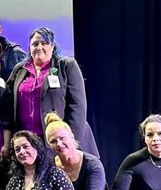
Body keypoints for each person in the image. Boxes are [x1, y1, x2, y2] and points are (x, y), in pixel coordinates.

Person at [8, 27, 98, 156]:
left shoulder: (66, 65)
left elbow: (77, 106)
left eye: (44, 43)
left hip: (58, 141)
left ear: (52, 46)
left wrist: (71, 141)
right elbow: (7, 100)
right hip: (29, 144)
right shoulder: (19, 70)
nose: (39, 47)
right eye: (35, 44)